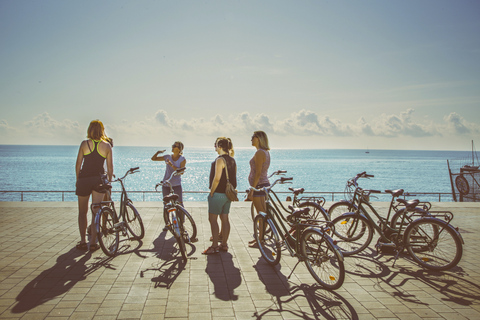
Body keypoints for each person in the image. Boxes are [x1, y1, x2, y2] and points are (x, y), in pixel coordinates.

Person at [75, 120, 113, 251]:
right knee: (96, 212)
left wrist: (77, 179)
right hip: (98, 180)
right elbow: (109, 167)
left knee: (82, 212)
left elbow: (78, 164)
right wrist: (108, 182)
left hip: (84, 180)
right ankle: (92, 243)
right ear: (102, 130)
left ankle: (82, 241)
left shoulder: (84, 144)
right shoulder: (106, 146)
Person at [203, 137, 237, 254]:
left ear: (220, 146)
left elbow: (216, 179)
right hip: (228, 195)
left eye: (216, 145)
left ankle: (214, 246)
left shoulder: (220, 160)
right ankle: (224, 244)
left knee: (212, 219)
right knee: (225, 219)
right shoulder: (232, 160)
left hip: (218, 194)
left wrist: (211, 192)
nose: (214, 147)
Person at [152, 142, 186, 229]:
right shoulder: (167, 157)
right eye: (172, 145)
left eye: (174, 146)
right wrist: (158, 152)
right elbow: (153, 159)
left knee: (180, 204)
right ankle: (167, 224)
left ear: (179, 149)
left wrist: (172, 165)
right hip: (166, 184)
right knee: (166, 205)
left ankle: (181, 223)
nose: (172, 147)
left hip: (176, 185)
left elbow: (181, 172)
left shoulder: (182, 159)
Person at [247, 131, 270, 248]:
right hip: (262, 185)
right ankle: (260, 238)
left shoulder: (260, 153)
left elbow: (258, 173)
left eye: (253, 137)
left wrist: (252, 189)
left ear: (259, 139)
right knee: (262, 214)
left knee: (261, 215)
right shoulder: (263, 152)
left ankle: (260, 240)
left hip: (259, 186)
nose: (251, 139)